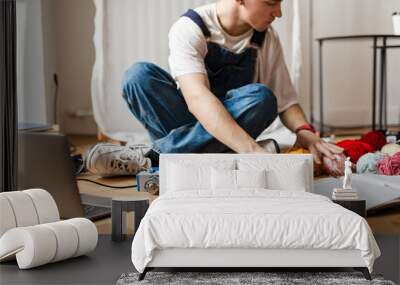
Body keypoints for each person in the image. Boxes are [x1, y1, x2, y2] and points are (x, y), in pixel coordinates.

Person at [85, 0, 343, 177]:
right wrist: (252, 151)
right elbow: (197, 98)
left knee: (263, 98)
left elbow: (286, 100)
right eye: (270, 2)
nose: (278, 12)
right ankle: (211, 156)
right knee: (138, 76)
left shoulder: (266, 38)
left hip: (233, 132)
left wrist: (307, 133)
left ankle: (155, 156)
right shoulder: (190, 28)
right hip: (196, 120)